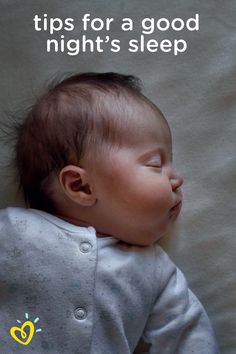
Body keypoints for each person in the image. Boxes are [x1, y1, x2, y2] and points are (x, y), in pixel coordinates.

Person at [0, 72, 219, 353]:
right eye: (155, 164)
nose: (177, 179)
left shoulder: (155, 271)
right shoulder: (15, 232)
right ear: (80, 185)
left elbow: (187, 336)